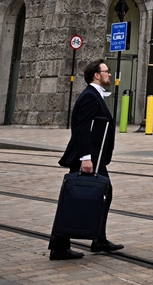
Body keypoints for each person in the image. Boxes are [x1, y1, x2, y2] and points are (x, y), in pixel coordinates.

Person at [48, 60, 122, 261]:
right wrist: (86, 158)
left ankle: (98, 238)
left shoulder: (94, 95)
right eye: (106, 71)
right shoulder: (90, 97)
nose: (109, 74)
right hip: (89, 158)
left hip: (95, 158)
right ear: (96, 75)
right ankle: (60, 246)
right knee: (75, 198)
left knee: (98, 194)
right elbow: (82, 128)